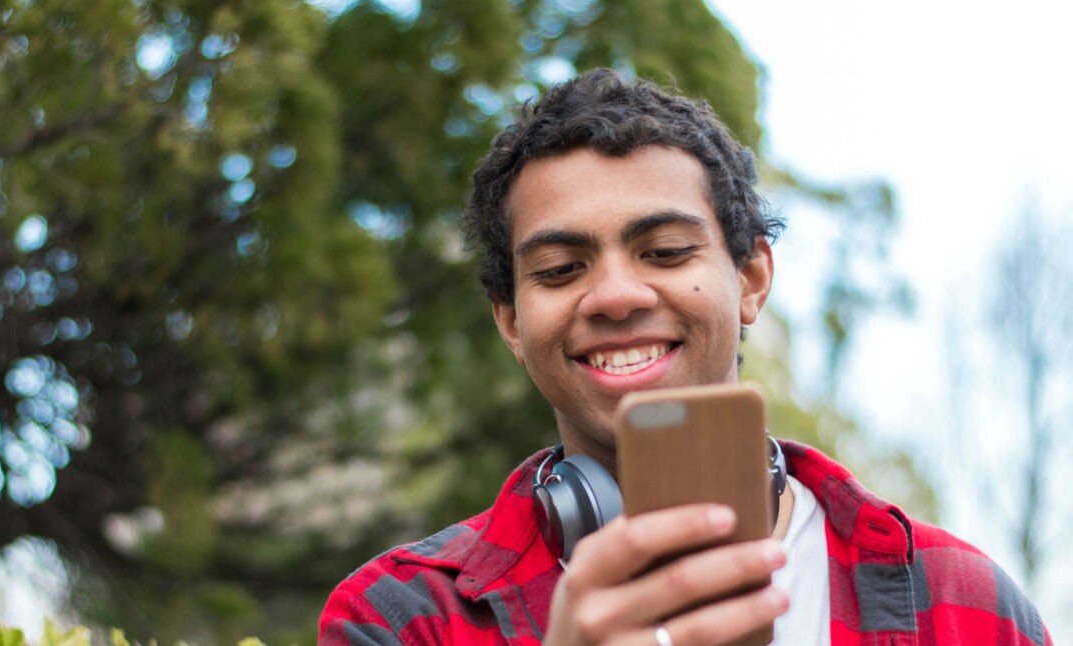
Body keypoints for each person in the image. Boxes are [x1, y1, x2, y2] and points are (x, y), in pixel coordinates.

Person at [318, 69, 1051, 645]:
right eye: (559, 269)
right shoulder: (402, 620)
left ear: (752, 279)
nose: (613, 295)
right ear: (510, 319)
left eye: (665, 252)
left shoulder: (970, 608)